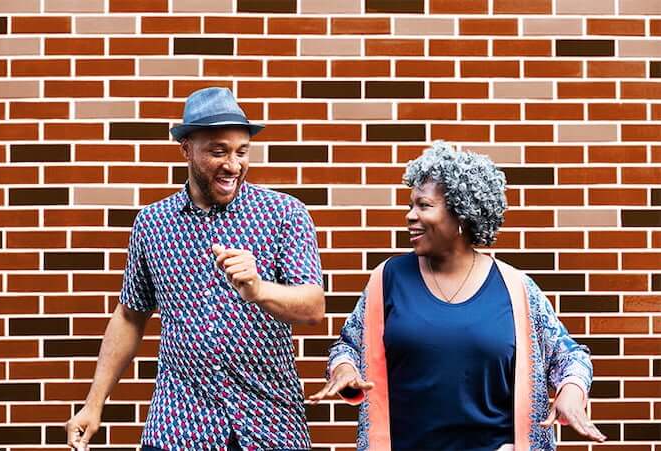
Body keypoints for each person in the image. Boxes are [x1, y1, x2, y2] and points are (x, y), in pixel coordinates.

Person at [65, 87, 325, 451]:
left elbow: (313, 307)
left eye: (242, 152)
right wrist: (93, 405)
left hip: (270, 424)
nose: (233, 165)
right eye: (218, 151)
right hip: (178, 424)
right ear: (186, 148)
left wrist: (259, 289)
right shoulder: (152, 224)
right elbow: (129, 316)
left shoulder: (283, 214)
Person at [309, 141, 606, 450]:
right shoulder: (388, 279)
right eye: (411, 205)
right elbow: (348, 346)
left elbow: (569, 356)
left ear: (462, 214)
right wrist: (344, 369)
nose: (410, 216)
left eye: (423, 206)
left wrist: (571, 391)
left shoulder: (516, 288)